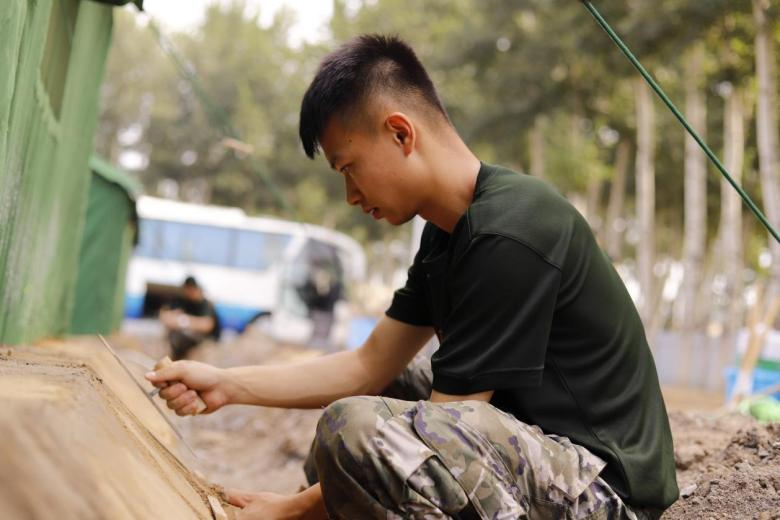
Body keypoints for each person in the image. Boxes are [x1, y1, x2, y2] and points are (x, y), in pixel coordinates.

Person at [146, 35, 678, 519]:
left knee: (355, 430)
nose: (350, 195)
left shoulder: (511, 229)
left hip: (605, 494)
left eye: (348, 167)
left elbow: (441, 431)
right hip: (537, 461)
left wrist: (292, 511)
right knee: (391, 387)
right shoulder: (446, 235)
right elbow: (368, 365)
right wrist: (226, 384)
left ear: (400, 133)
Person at [159, 276, 220, 360]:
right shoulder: (184, 301)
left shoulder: (205, 304)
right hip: (183, 338)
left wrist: (184, 321)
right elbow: (165, 315)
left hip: (205, 339)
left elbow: (207, 325)